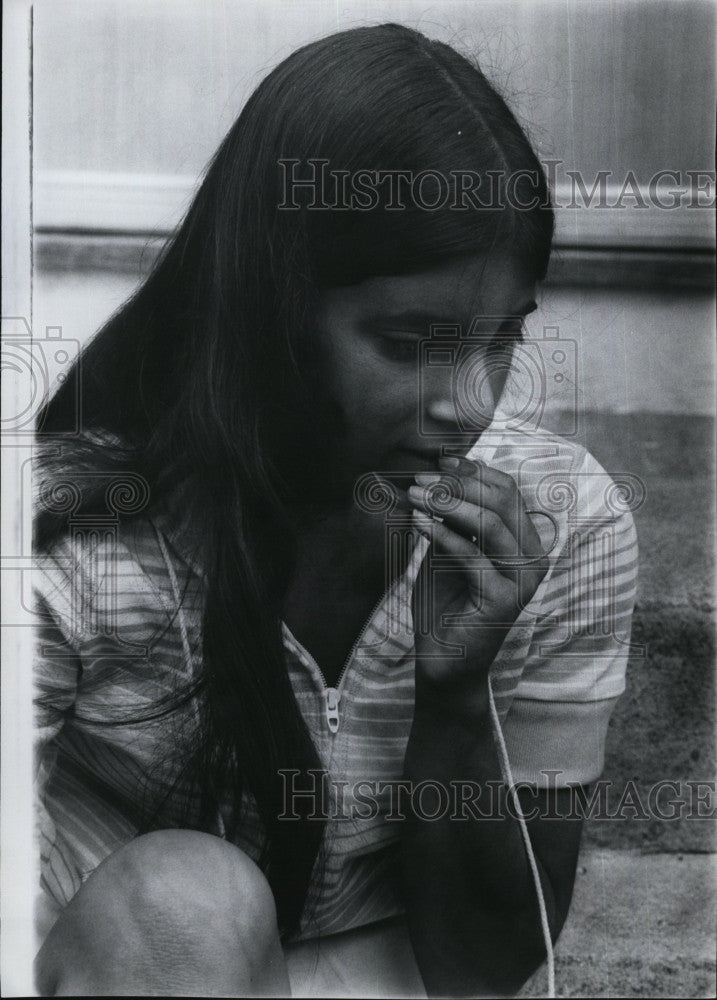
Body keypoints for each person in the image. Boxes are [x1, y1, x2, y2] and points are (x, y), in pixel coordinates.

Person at [32, 22, 638, 998]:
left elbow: (490, 972)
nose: (470, 407)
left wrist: (456, 701)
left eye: (502, 341)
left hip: (378, 975)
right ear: (273, 311)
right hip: (130, 965)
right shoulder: (78, 536)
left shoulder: (567, 528)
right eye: (408, 344)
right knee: (188, 904)